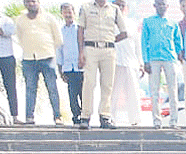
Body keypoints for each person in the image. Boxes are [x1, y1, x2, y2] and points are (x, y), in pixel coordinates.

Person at [78, 0, 128, 129]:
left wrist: (110, 40)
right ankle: (85, 116)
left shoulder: (114, 9)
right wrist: (81, 52)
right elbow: (80, 30)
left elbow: (124, 32)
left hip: (108, 49)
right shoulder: (86, 7)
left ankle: (105, 116)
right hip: (91, 48)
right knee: (89, 83)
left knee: (107, 84)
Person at [14, 0, 63, 125]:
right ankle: (29, 117)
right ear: (25, 4)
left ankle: (57, 117)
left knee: (52, 88)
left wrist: (48, 49)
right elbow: (19, 38)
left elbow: (58, 39)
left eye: (34, 1)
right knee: (30, 89)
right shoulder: (20, 20)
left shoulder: (49, 18)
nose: (31, 4)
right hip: (29, 59)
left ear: (38, 2)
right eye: (28, 2)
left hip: (48, 58)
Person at [140, 0, 180, 128]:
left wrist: (178, 55)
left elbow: (178, 41)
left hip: (169, 58)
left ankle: (174, 121)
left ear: (167, 6)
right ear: (155, 6)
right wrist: (145, 61)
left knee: (173, 90)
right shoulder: (148, 21)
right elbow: (144, 42)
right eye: (159, 4)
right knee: (154, 91)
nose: (161, 6)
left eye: (164, 4)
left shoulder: (173, 23)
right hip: (153, 58)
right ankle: (157, 121)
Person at [108, 0, 141, 126]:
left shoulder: (131, 23)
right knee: (113, 92)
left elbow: (137, 44)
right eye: (118, 5)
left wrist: (140, 62)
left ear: (126, 8)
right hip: (114, 62)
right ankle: (110, 118)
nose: (120, 8)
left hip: (131, 62)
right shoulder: (109, 22)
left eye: (122, 5)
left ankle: (135, 119)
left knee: (133, 92)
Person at [56, 2, 82, 126]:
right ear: (62, 14)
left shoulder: (80, 29)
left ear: (74, 13)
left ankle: (85, 117)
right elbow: (59, 51)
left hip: (81, 67)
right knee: (72, 95)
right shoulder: (60, 31)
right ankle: (76, 117)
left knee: (83, 94)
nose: (68, 15)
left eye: (70, 12)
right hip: (68, 68)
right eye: (65, 12)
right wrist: (60, 70)